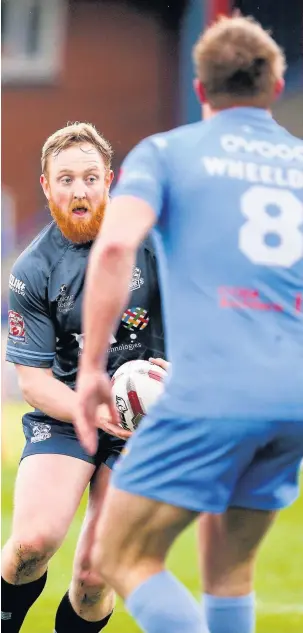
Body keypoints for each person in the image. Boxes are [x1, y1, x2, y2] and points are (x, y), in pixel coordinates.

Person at [75, 15, 303, 633]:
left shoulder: (167, 152)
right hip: (293, 397)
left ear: (201, 90)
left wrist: (94, 365)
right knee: (229, 573)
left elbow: (117, 247)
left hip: (214, 391)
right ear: (275, 86)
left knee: (115, 555)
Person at [2, 122, 165, 633]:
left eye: (90, 178)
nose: (79, 190)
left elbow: (208, 324)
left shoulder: (156, 245)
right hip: (68, 413)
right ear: (47, 186)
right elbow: (33, 382)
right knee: (31, 544)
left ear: (109, 180)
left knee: (96, 575)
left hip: (148, 423)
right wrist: (91, 410)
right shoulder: (32, 269)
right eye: (66, 179)